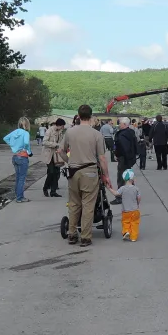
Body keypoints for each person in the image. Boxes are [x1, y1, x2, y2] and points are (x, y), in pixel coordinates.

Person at [60, 104, 110, 247]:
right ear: (91, 116)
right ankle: (86, 237)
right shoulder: (96, 134)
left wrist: (71, 161)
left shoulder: (69, 132)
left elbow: (61, 151)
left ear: (78, 115)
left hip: (73, 172)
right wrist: (106, 175)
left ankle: (71, 234)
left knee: (74, 203)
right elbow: (102, 157)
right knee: (88, 205)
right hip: (90, 172)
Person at [107, 168, 141, 242]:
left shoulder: (122, 188)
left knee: (126, 222)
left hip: (126, 211)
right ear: (132, 179)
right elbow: (138, 198)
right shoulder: (136, 189)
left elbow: (116, 193)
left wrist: (109, 188)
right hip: (135, 210)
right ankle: (133, 237)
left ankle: (126, 232)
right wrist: (137, 204)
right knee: (134, 223)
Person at [3, 117, 33, 202]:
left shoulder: (15, 131)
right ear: (27, 124)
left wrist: (13, 145)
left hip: (15, 156)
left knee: (18, 177)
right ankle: (20, 197)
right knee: (22, 178)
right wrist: (29, 151)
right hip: (23, 156)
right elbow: (26, 143)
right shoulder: (26, 133)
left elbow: (5, 138)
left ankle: (17, 194)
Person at [41, 118, 66, 197]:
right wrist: (55, 144)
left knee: (57, 173)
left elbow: (61, 142)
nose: (63, 127)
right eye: (62, 126)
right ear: (59, 125)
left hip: (57, 155)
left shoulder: (60, 132)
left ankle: (53, 191)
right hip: (49, 154)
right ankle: (45, 188)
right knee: (51, 172)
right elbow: (44, 142)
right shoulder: (50, 131)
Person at [114, 117, 138, 188]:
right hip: (130, 157)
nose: (119, 125)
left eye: (120, 123)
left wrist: (117, 154)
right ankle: (132, 192)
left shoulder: (122, 134)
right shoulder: (131, 132)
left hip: (123, 158)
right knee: (128, 176)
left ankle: (120, 196)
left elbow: (124, 147)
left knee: (121, 177)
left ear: (124, 124)